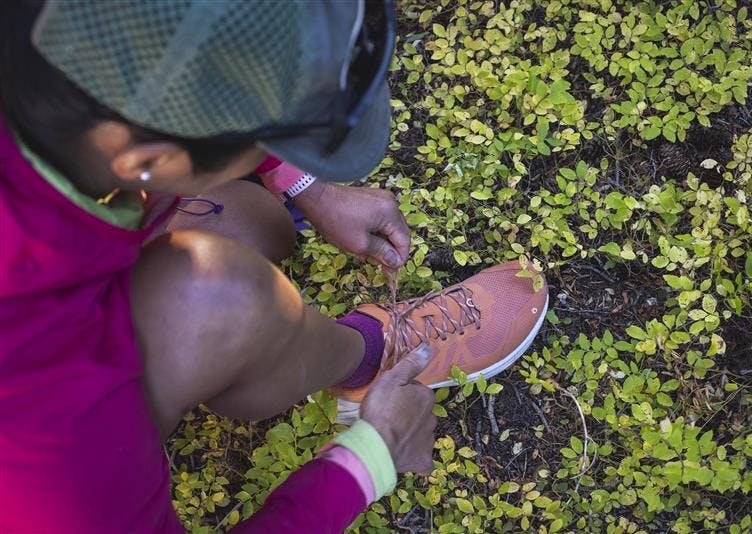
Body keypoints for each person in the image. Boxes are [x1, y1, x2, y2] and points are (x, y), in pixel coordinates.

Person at [0, 1, 549, 532]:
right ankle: (371, 358)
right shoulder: (44, 411)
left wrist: (301, 182)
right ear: (146, 158)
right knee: (220, 296)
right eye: (266, 137)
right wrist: (369, 457)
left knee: (250, 222)